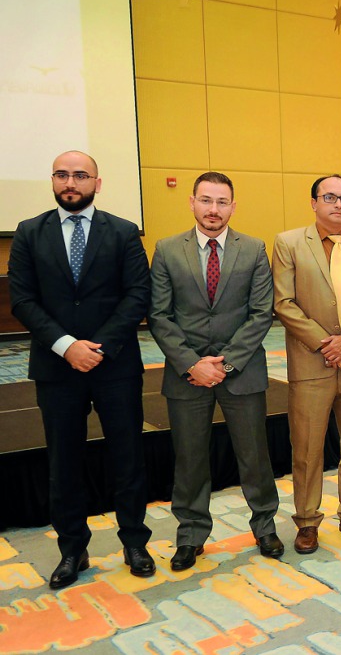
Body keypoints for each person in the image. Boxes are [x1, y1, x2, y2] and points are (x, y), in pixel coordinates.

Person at [8, 151, 154, 588]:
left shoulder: (125, 233)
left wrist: (100, 348)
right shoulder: (29, 233)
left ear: (97, 182)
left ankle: (135, 542)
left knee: (128, 458)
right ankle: (73, 550)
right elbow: (22, 300)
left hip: (116, 368)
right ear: (53, 180)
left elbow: (137, 296)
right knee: (64, 462)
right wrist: (67, 346)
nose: (70, 182)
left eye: (80, 175)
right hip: (57, 369)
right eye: (62, 174)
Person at [147, 172, 284, 570]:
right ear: (191, 202)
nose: (213, 209)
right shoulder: (168, 249)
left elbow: (262, 314)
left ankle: (265, 527)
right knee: (189, 459)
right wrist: (192, 363)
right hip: (186, 373)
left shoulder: (254, 248)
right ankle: (190, 535)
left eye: (222, 202)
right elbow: (159, 315)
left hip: (240, 372)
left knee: (254, 455)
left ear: (233, 206)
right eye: (206, 200)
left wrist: (223, 364)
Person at [271, 175, 341, 554]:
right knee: (307, 449)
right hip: (311, 365)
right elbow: (284, 302)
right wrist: (326, 343)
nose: (338, 204)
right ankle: (306, 521)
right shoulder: (289, 243)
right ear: (314, 202)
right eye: (330, 197)